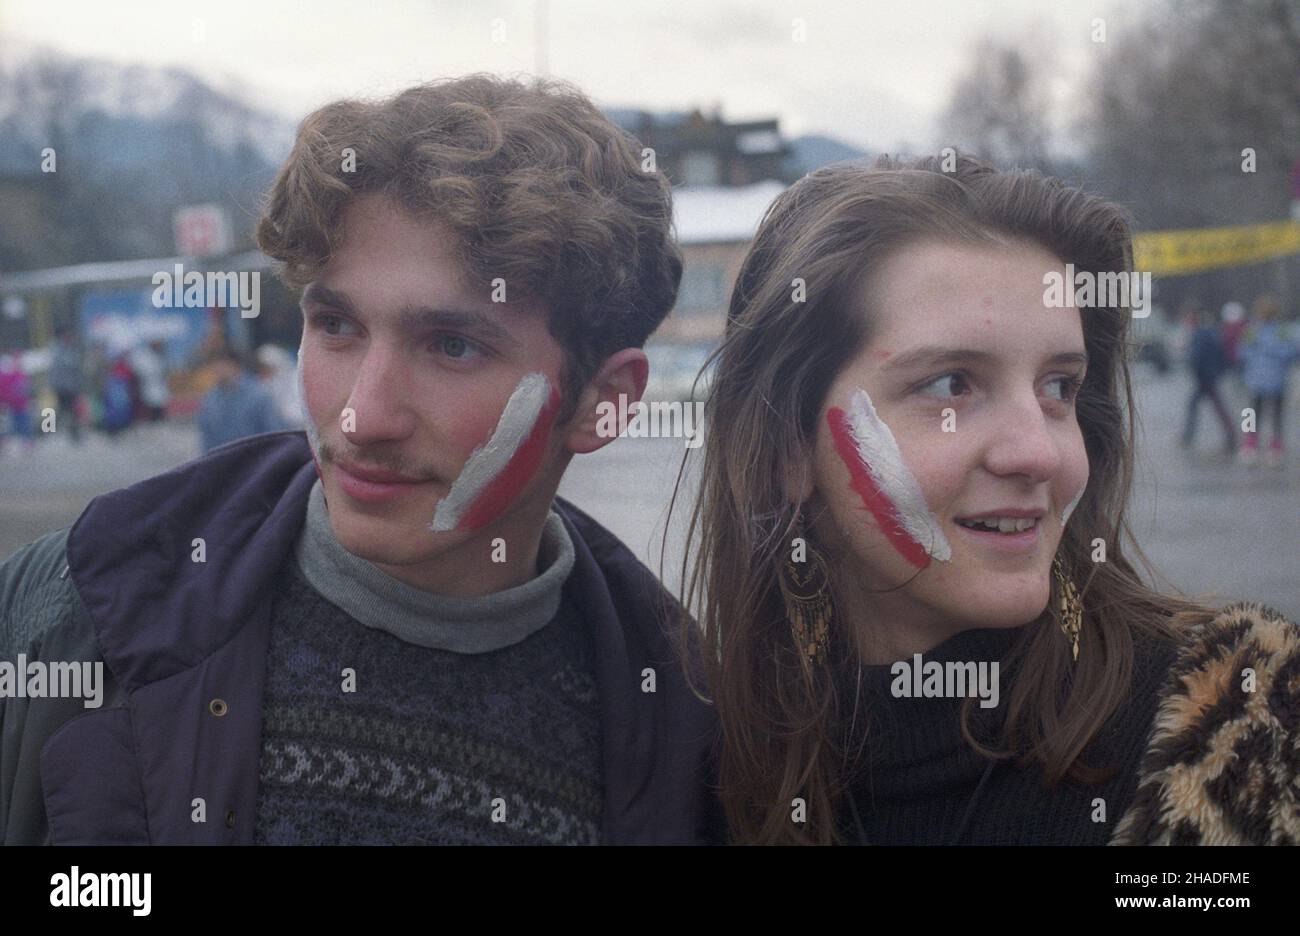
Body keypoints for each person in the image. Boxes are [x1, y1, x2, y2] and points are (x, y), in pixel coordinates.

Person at [0, 74, 720, 845]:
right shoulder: (69, 611)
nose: (362, 416)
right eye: (337, 325)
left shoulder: (696, 742)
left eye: (453, 346)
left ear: (602, 401)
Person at [672, 153, 1299, 845]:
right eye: (952, 385)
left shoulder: (1243, 736)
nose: (1041, 452)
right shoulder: (690, 776)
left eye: (1059, 387)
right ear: (787, 447)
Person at [1238, 295, 1298, 468]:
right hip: (1276, 379)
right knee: (1276, 415)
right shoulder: (1282, 331)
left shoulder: (1251, 331)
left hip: (1255, 379)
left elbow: (1241, 354)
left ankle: (1250, 446)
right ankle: (1275, 448)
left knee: (1251, 414)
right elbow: (1292, 353)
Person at [195, 346, 288, 453]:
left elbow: (275, 433)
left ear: (235, 365)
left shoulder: (258, 395)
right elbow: (206, 438)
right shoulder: (210, 400)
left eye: (221, 364)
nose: (217, 369)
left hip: (257, 460)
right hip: (223, 462)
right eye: (213, 364)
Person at [1178, 302, 1236, 454]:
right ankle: (1230, 436)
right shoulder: (1206, 332)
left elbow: (1197, 357)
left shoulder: (1200, 333)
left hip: (1205, 378)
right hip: (1208, 377)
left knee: (1205, 406)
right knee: (1214, 407)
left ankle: (1189, 436)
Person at [48, 325, 85, 444]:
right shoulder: (56, 349)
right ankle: (47, 430)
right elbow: (54, 369)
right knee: (56, 409)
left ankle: (75, 435)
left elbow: (77, 369)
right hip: (60, 386)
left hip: (71, 387)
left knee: (73, 410)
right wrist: (52, 385)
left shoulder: (72, 349)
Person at [130, 338, 171, 422]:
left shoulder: (161, 357)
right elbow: (140, 371)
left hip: (159, 390)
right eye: (157, 343)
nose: (159, 346)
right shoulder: (144, 356)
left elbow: (164, 372)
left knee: (159, 410)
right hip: (148, 389)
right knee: (149, 411)